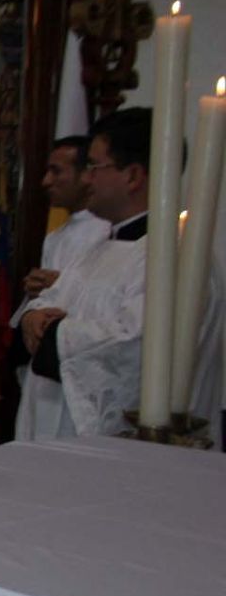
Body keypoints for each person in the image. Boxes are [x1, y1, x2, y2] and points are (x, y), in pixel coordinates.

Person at [14, 107, 222, 440]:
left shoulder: (176, 258)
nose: (85, 179)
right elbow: (51, 300)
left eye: (94, 167)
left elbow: (140, 344)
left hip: (124, 459)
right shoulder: (99, 246)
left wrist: (54, 333)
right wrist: (32, 317)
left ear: (133, 176)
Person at [22, 135, 109, 297]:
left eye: (56, 171)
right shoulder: (54, 237)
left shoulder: (108, 231)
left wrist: (60, 285)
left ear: (86, 174)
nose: (46, 181)